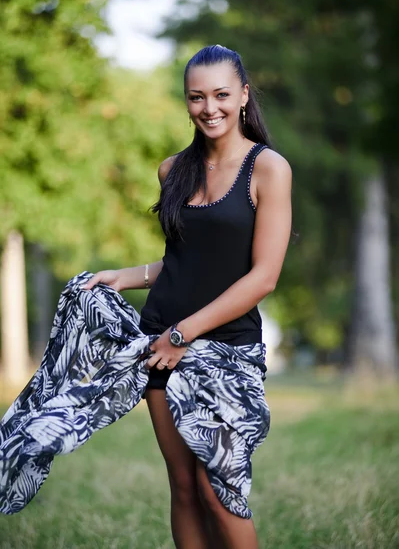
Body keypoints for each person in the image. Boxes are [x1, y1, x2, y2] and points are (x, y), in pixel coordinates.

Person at [83, 45, 292, 549]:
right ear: (186, 101)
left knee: (218, 490)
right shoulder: (172, 169)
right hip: (162, 346)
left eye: (221, 95)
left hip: (225, 348)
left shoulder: (268, 169)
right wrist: (122, 276)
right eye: (196, 97)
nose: (209, 108)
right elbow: (181, 263)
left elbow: (263, 277)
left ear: (243, 95)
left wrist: (184, 334)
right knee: (181, 487)